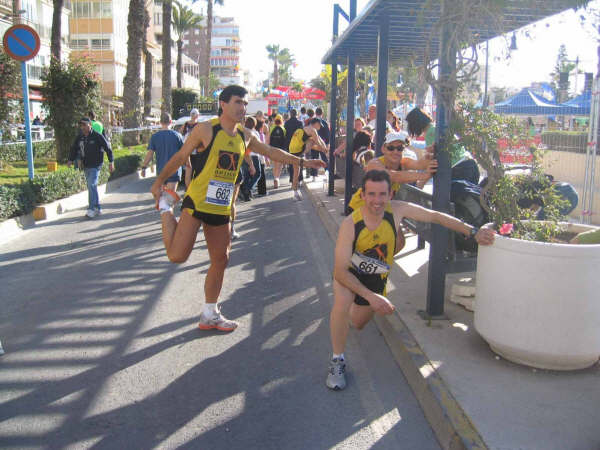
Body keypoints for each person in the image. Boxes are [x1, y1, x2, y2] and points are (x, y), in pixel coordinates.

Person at [149, 85, 325, 332]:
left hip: (221, 208)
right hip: (197, 202)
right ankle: (165, 208)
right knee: (177, 256)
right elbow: (180, 157)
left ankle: (210, 312)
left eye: (245, 103)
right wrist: (159, 182)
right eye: (238, 102)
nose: (243, 107)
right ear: (223, 104)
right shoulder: (206, 129)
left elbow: (272, 152)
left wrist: (303, 161)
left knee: (220, 260)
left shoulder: (246, 135)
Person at [326, 169, 496, 390]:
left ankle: (350, 314)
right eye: (372, 194)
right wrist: (371, 296)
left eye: (382, 194)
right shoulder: (351, 224)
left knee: (358, 323)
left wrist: (472, 231)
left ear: (389, 195)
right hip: (351, 271)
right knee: (341, 302)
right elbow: (340, 271)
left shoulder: (397, 210)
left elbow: (436, 216)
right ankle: (337, 360)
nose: (377, 201)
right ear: (363, 195)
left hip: (376, 274)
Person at [347, 132, 438, 214]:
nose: (395, 152)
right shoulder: (374, 164)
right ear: (383, 149)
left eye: (399, 148)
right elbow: (394, 176)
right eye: (391, 148)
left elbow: (420, 164)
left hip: (380, 210)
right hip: (359, 210)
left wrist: (431, 155)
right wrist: (425, 175)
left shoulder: (403, 162)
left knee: (396, 228)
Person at [67, 118, 114, 218]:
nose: (83, 127)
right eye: (81, 125)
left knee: (91, 184)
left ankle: (91, 209)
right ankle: (97, 207)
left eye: (84, 125)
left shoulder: (97, 136)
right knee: (91, 186)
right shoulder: (80, 137)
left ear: (90, 125)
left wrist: (111, 161)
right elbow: (74, 148)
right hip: (86, 165)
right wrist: (70, 160)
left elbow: (107, 148)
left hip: (96, 165)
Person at [140, 112, 184, 195]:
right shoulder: (177, 136)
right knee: (169, 200)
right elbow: (184, 153)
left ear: (160, 122)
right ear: (171, 122)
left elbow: (150, 154)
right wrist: (188, 165)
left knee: (163, 199)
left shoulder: (155, 137)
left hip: (161, 172)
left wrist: (144, 167)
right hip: (174, 171)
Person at [288, 117, 327, 201]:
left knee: (296, 171)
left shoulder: (306, 128)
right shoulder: (313, 130)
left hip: (292, 149)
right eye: (320, 125)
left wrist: (324, 147)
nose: (320, 127)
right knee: (296, 171)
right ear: (316, 124)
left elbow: (319, 140)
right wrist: (325, 150)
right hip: (298, 151)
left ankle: (295, 193)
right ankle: (295, 193)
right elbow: (318, 142)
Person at [181, 109, 201, 188]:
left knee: (189, 170)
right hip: (194, 151)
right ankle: (190, 190)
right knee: (192, 171)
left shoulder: (186, 124)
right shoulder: (198, 125)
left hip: (188, 150)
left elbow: (180, 135)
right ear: (198, 115)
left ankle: (189, 189)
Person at [269, 114, 286, 188]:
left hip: (272, 149)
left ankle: (275, 177)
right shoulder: (283, 129)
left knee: (274, 165)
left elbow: (268, 139)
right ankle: (277, 178)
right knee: (279, 165)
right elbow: (284, 140)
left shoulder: (271, 128)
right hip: (280, 150)